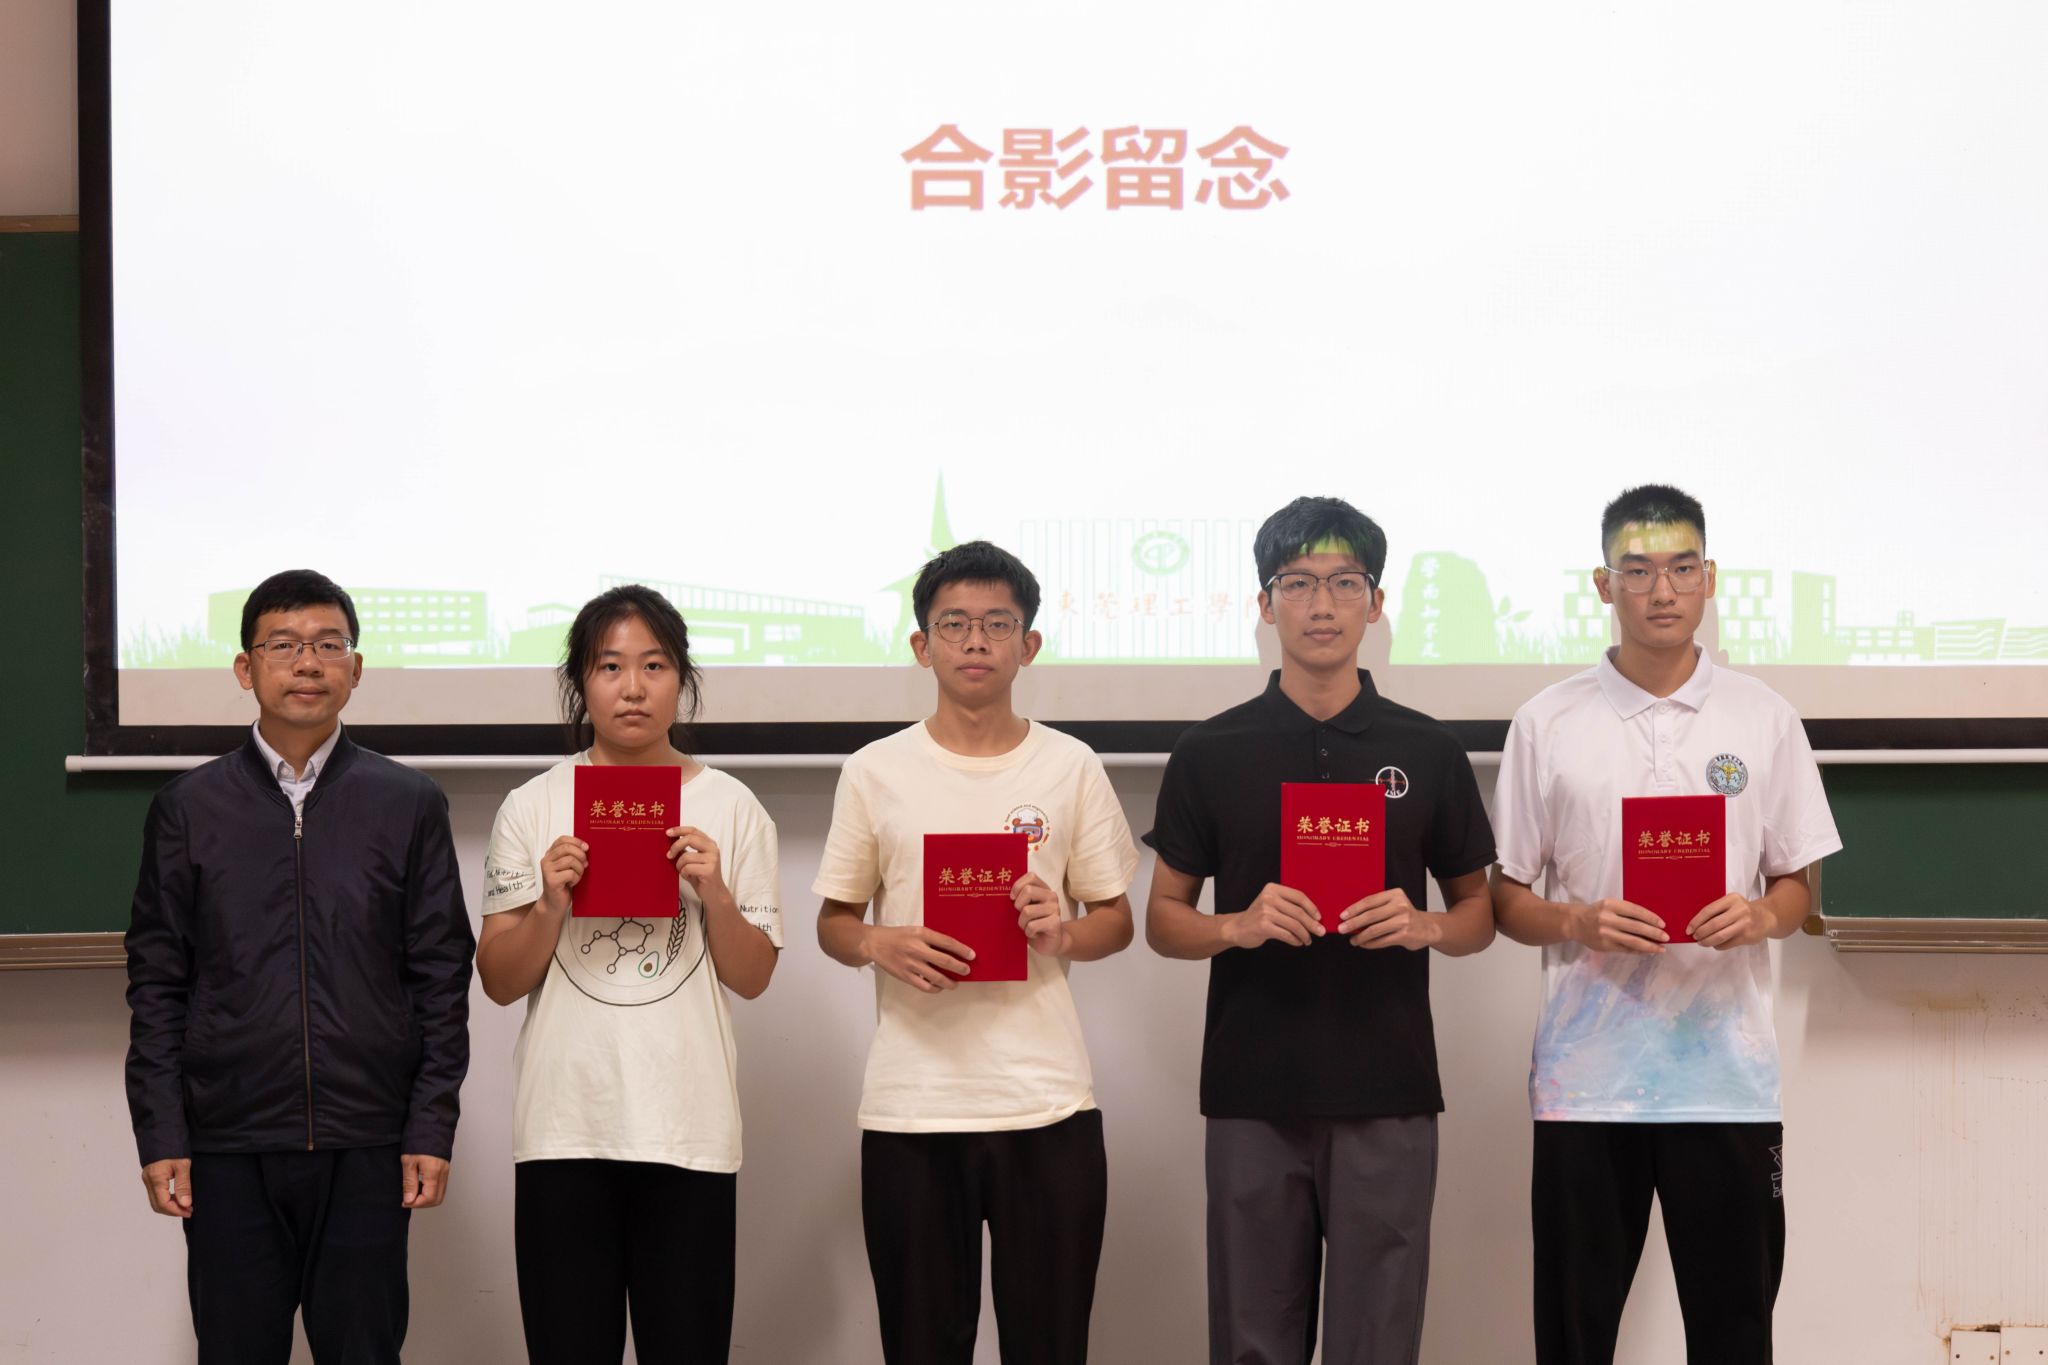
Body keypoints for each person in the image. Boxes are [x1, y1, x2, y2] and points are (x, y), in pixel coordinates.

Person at [1490, 484, 1842, 1365]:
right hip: (1585, 1083)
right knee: (1574, 1335)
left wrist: (1758, 913)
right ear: (1602, 584)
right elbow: (1506, 898)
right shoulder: (1546, 722)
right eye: (1638, 570)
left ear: (1710, 579)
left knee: (1735, 1333)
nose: (1662, 590)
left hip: (1727, 1081)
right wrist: (1578, 918)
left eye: (1683, 569)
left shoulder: (1764, 716)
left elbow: (1798, 889)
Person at [1143, 496, 1497, 1365]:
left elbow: (1479, 916)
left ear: (1376, 602)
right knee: (1252, 1340)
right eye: (1298, 583)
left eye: (1345, 582)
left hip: (1389, 1088)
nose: (1323, 604)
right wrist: (1236, 925)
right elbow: (1163, 920)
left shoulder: (1429, 749)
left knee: (1378, 1340)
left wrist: (1424, 923)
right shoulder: (1208, 750)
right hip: (1252, 1090)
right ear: (1265, 605)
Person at [124, 568, 474, 1365]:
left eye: (328, 644)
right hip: (227, 1143)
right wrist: (161, 1129)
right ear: (246, 667)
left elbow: (440, 976)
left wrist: (429, 1124)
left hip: (368, 1142)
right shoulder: (188, 808)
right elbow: (157, 983)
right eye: (283, 645)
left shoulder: (408, 802)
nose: (308, 662)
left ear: (356, 666)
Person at [814, 540, 1140, 1365]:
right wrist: (878, 940)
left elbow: (1116, 919)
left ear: (1029, 645)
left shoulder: (1069, 765)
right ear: (921, 645)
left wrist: (1063, 931)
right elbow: (834, 922)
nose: (975, 641)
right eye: (954, 623)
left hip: (1047, 1104)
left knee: (1050, 1344)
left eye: (997, 624)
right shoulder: (874, 769)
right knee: (922, 1345)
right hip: (913, 1107)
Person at [477, 584, 782, 1365]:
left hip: (689, 1130)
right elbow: (499, 979)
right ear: (581, 681)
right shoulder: (533, 804)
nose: (634, 686)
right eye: (610, 666)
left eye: (654, 664)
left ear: (682, 677)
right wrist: (549, 903)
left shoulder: (734, 806)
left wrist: (715, 891)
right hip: (564, 1128)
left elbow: (752, 976)